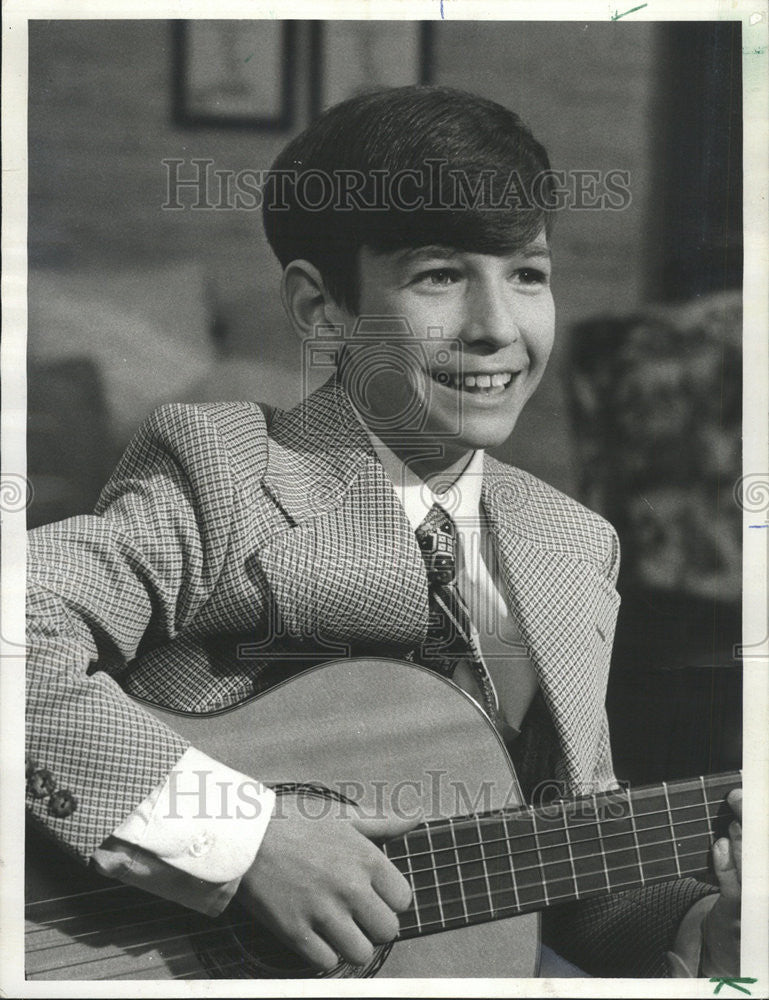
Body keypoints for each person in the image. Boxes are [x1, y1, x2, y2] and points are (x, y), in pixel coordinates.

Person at [25, 85, 741, 978]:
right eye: (439, 275)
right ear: (323, 310)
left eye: (527, 274)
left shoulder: (570, 546)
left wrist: (707, 928)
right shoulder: (222, 472)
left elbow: (565, 865)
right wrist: (242, 837)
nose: (496, 329)